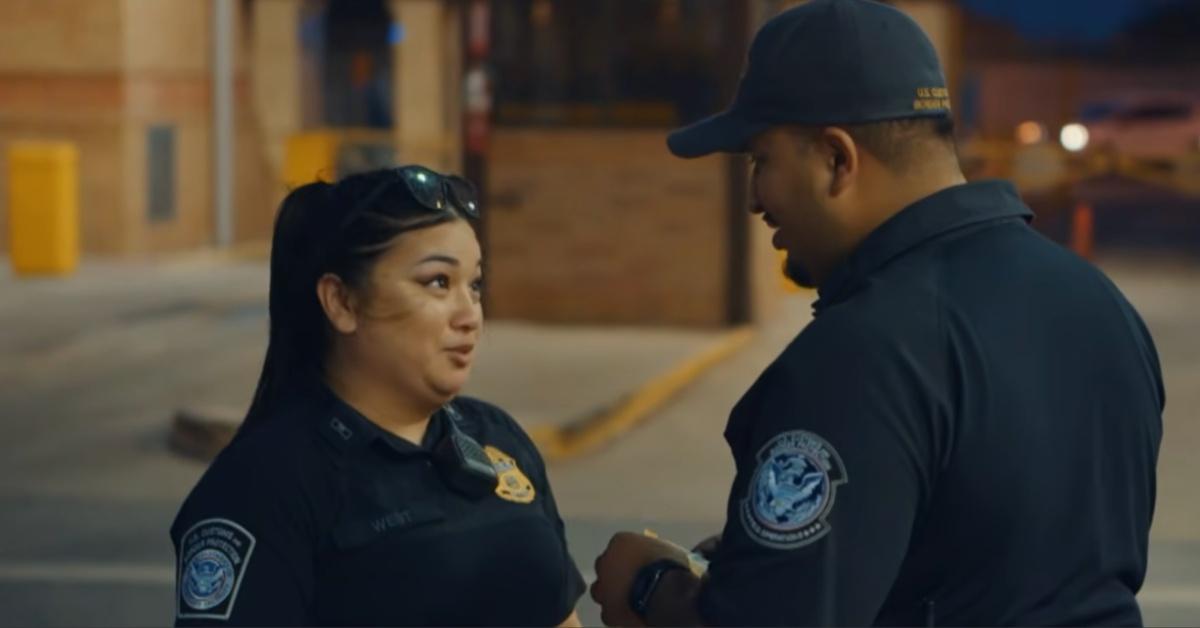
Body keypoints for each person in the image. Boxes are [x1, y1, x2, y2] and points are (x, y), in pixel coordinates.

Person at [590, 1, 1164, 626]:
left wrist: (648, 588)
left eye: (763, 161)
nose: (755, 197)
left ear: (838, 159)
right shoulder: (1100, 306)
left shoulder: (860, 353)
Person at [171, 166, 585, 627]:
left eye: (474, 285)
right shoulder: (264, 486)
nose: (470, 315)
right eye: (437, 283)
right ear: (342, 302)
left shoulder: (500, 441)